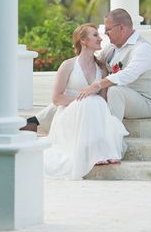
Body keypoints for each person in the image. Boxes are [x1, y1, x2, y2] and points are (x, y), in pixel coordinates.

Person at [21, 8, 151, 131]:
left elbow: (128, 75)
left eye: (108, 29)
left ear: (121, 28)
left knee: (113, 90)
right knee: (81, 91)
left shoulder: (143, 48)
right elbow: (93, 62)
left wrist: (97, 85)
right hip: (115, 97)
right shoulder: (112, 48)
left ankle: (110, 136)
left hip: (143, 103)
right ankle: (36, 122)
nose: (105, 33)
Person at [42, 23, 129, 180]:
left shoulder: (102, 68)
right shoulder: (68, 65)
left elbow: (102, 99)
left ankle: (100, 151)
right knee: (90, 101)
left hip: (93, 114)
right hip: (69, 116)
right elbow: (56, 98)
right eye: (95, 35)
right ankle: (99, 152)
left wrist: (89, 101)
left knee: (95, 102)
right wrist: (81, 101)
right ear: (83, 41)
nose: (100, 38)